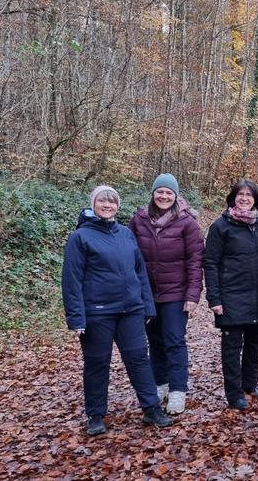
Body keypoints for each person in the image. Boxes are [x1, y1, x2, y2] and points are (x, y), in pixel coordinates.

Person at [62, 186, 173, 436]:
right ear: (93, 203)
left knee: (138, 360)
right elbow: (71, 280)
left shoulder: (125, 234)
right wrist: (76, 317)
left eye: (112, 201)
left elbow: (139, 273)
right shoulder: (80, 237)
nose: (107, 205)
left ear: (117, 206)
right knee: (97, 363)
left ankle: (151, 408)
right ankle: (96, 415)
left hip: (130, 311)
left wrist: (146, 305)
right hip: (97, 313)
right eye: (102, 200)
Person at [128, 174, 204, 416]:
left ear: (175, 196)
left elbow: (195, 262)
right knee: (155, 341)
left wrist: (192, 296)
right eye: (159, 192)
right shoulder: (138, 221)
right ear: (153, 194)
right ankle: (160, 384)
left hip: (176, 293)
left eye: (168, 192)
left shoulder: (187, 223)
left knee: (174, 340)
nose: (163, 196)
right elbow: (128, 257)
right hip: (146, 294)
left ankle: (178, 390)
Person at [203, 180, 258, 410]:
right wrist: (214, 298)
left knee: (255, 343)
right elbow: (210, 263)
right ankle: (234, 394)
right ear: (233, 197)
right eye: (240, 195)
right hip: (231, 296)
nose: (244, 199)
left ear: (256, 199)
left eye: (249, 195)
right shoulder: (220, 226)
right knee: (232, 347)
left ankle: (250, 383)